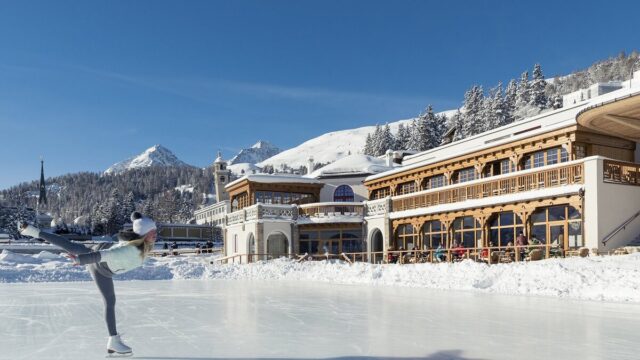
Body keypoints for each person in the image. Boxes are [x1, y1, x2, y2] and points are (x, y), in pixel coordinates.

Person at [18, 212, 157, 356]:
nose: (155, 234)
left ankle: (34, 232)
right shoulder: (130, 250)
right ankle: (113, 340)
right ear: (143, 234)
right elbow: (105, 255)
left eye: (155, 231)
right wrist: (81, 260)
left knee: (70, 246)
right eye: (151, 232)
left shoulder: (143, 245)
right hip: (100, 263)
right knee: (110, 302)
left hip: (104, 265)